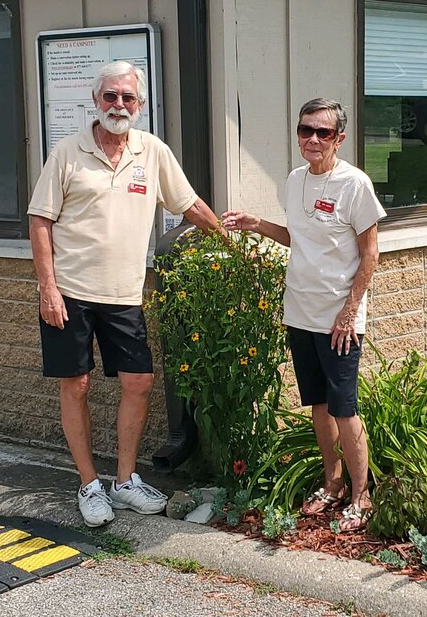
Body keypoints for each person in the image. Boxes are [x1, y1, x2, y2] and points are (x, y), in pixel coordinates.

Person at [28, 60, 222, 527]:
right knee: (76, 386)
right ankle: (88, 485)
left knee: (139, 383)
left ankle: (125, 481)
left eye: (128, 98)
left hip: (123, 295)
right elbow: (40, 220)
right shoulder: (67, 153)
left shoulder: (151, 151)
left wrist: (229, 242)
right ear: (96, 101)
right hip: (70, 292)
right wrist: (48, 288)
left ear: (140, 104)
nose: (119, 105)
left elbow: (188, 202)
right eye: (111, 96)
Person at [222, 98, 385, 531]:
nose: (312, 139)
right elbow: (299, 238)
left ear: (339, 139)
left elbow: (370, 255)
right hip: (300, 311)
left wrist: (349, 312)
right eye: (305, 130)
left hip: (339, 320)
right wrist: (256, 223)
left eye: (323, 132)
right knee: (317, 403)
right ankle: (331, 485)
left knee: (345, 408)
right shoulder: (295, 180)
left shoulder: (354, 185)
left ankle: (360, 496)